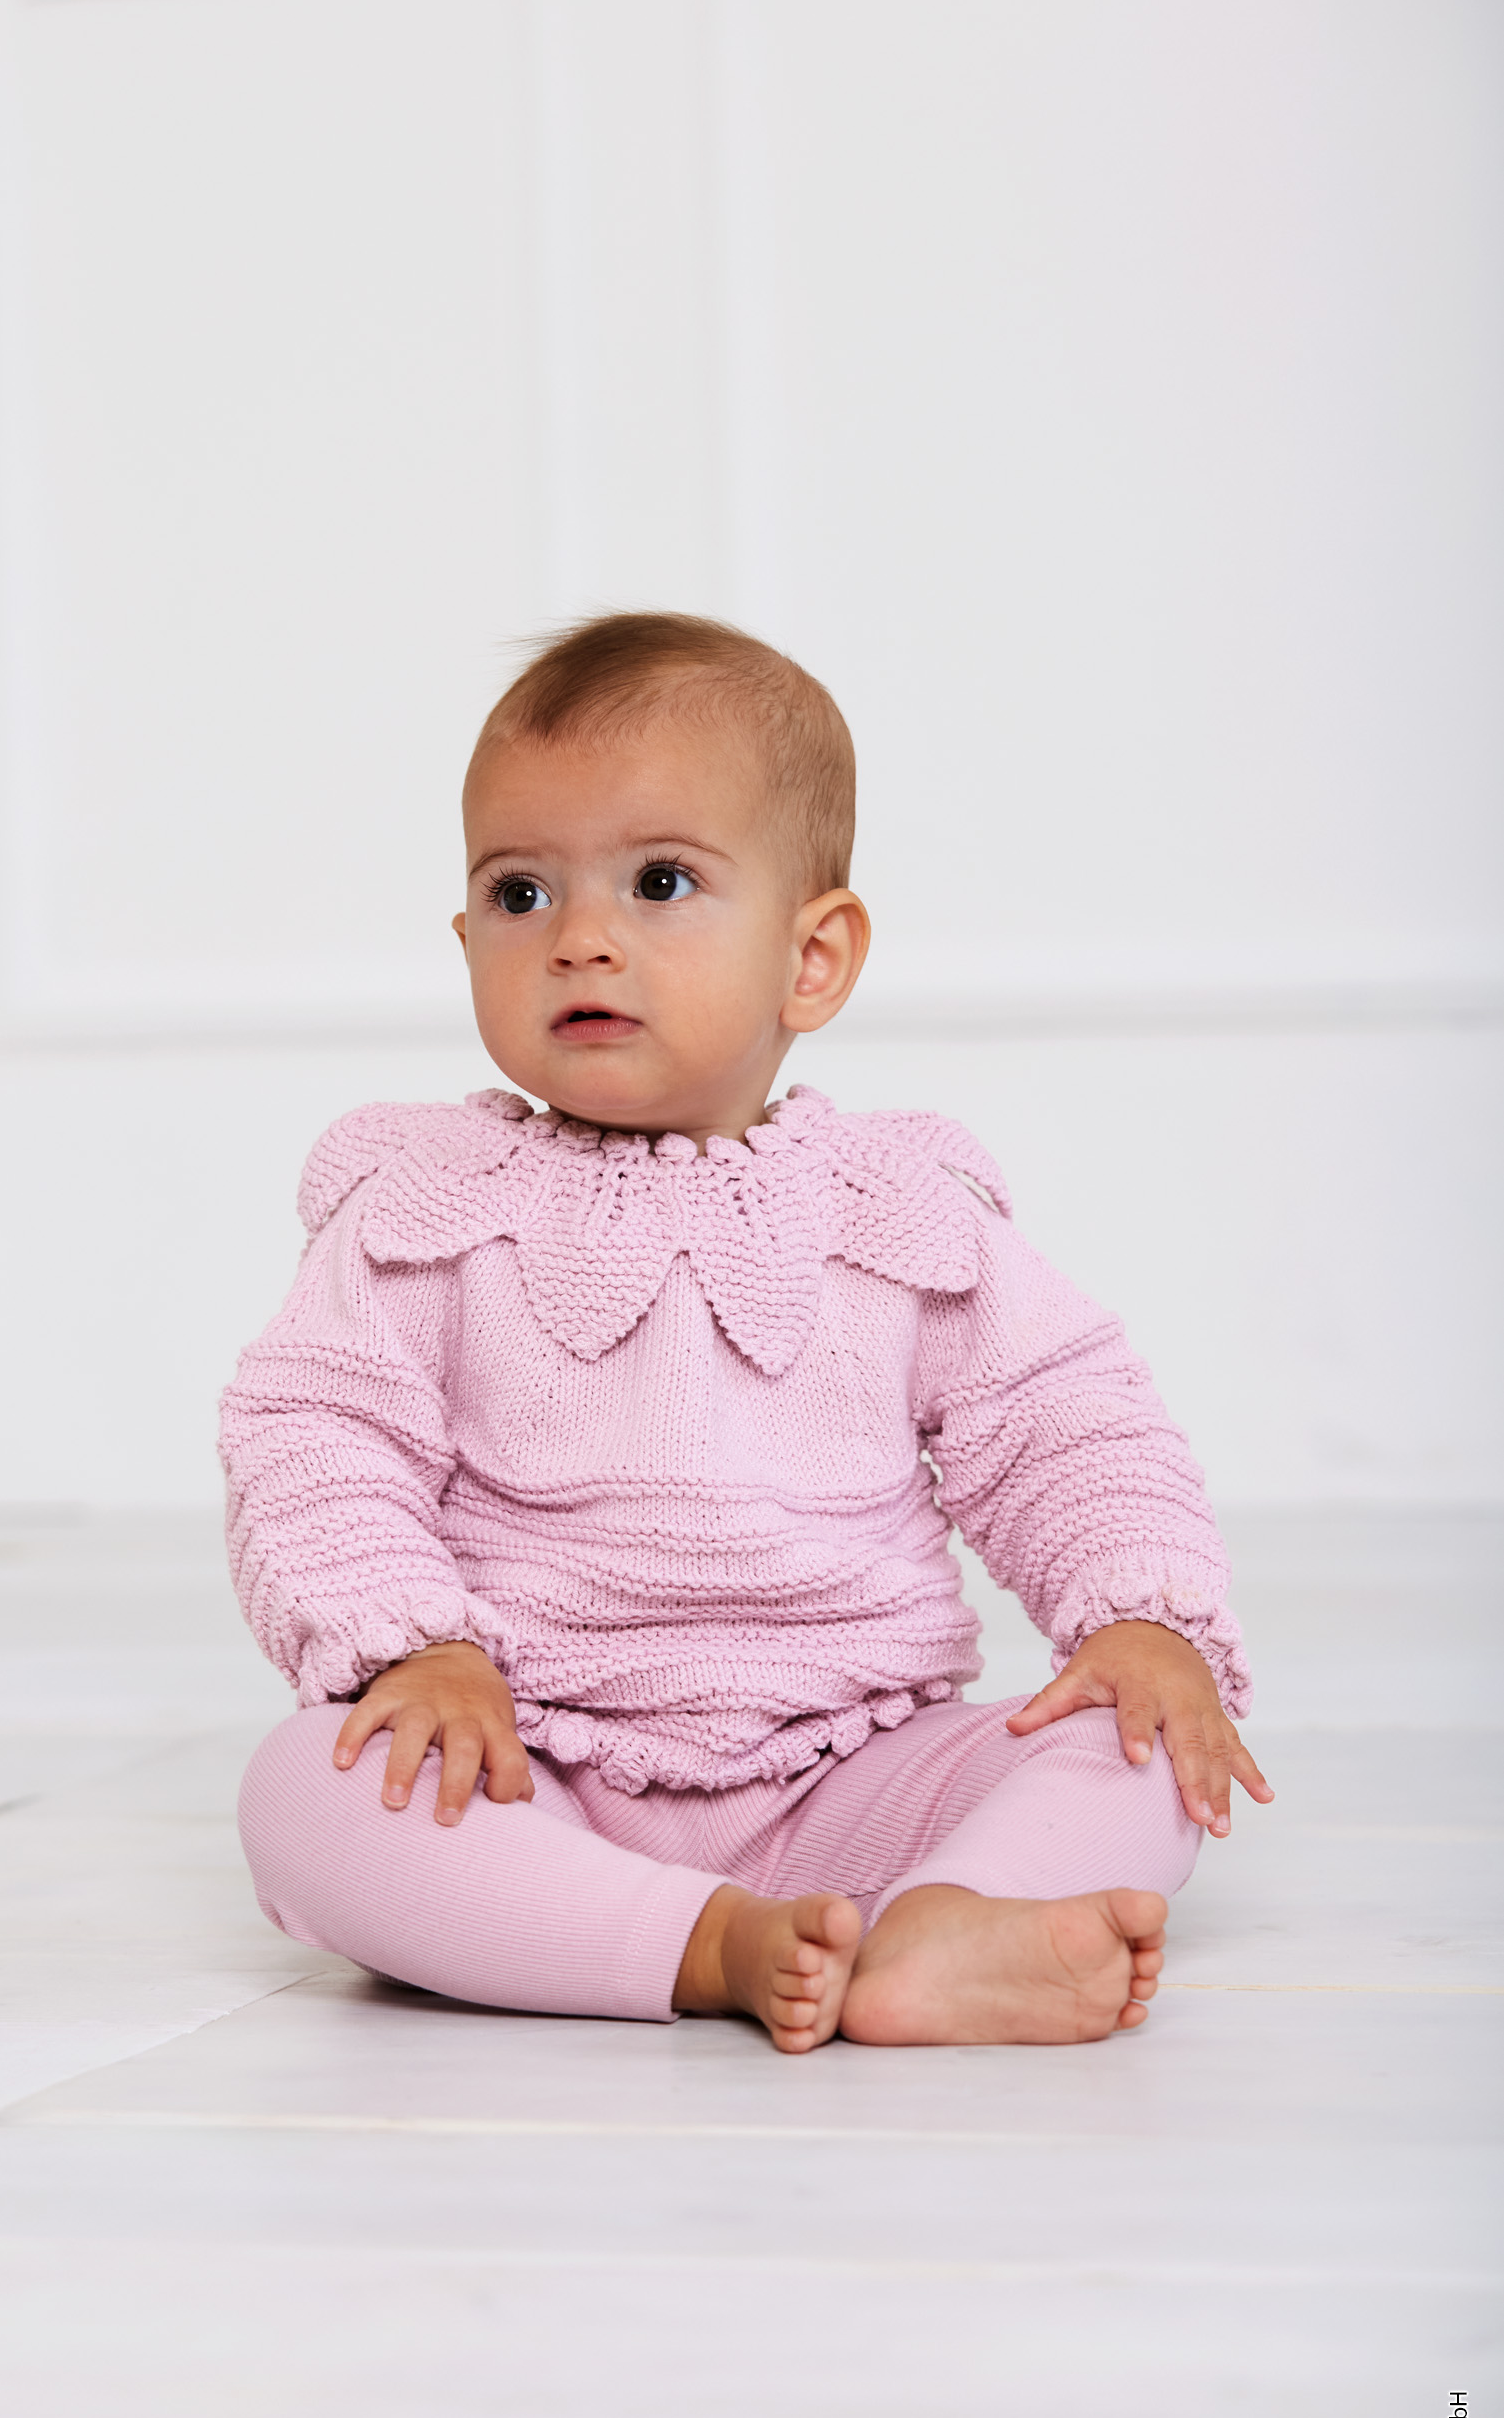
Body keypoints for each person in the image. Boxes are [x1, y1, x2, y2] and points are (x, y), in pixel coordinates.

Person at [222, 613, 1271, 2053]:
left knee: (1137, 1745)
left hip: (862, 1772)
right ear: (464, 942)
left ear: (812, 957)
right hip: (529, 1761)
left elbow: (1063, 1421)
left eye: (659, 883)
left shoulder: (897, 1207)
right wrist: (408, 1652)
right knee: (306, 1793)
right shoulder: (425, 1205)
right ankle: (703, 1946)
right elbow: (314, 1438)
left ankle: (946, 1925)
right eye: (520, 893)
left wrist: (1140, 1619)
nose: (579, 936)